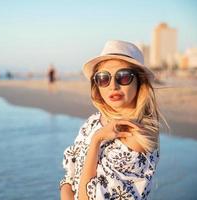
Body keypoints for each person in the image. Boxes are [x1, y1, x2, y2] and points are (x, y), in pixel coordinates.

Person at [60, 40, 168, 200]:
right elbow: (70, 175)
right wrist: (65, 187)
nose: (113, 86)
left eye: (123, 77)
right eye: (103, 78)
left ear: (139, 82)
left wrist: (97, 139)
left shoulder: (136, 137)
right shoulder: (94, 120)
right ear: (96, 85)